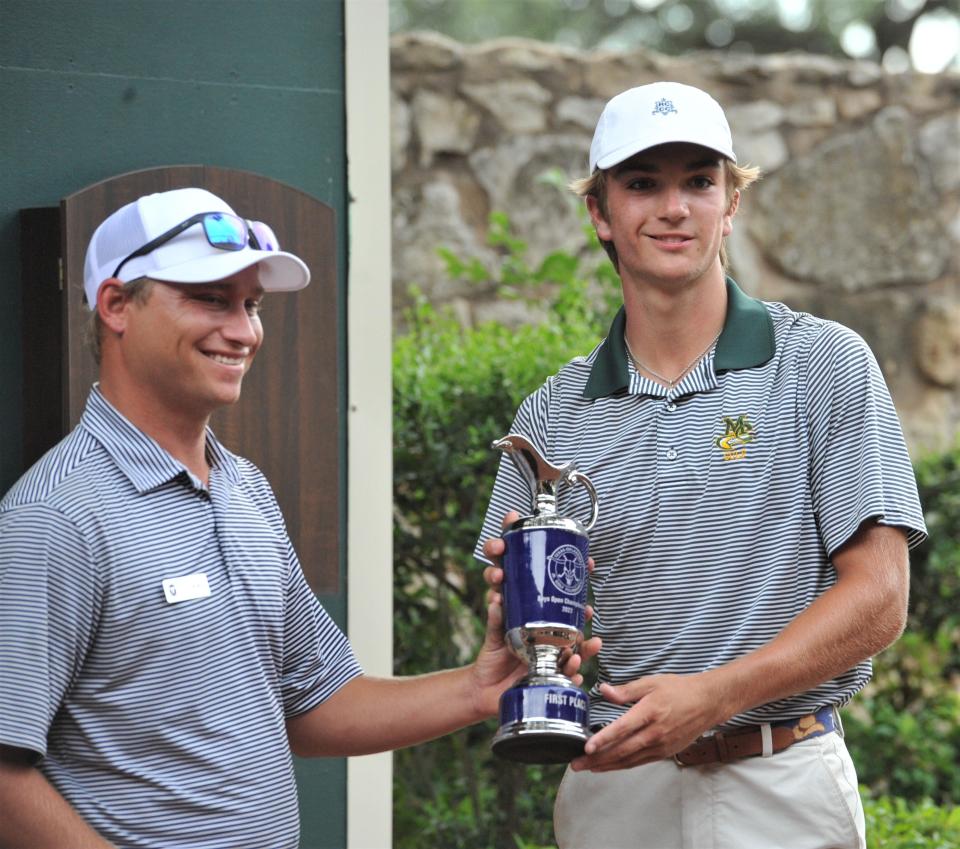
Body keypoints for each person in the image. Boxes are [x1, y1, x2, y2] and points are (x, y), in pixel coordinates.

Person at [0, 187, 594, 849]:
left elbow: (314, 703)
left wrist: (480, 688)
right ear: (116, 305)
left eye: (251, 304)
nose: (244, 330)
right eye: (210, 298)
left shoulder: (244, 489)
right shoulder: (54, 516)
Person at [477, 82, 926, 849]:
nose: (674, 207)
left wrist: (714, 696)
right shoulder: (549, 416)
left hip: (782, 781)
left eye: (699, 180)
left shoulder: (824, 364)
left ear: (731, 204)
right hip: (611, 790)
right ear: (600, 213)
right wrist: (516, 610)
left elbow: (881, 597)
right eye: (643, 183)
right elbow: (516, 641)